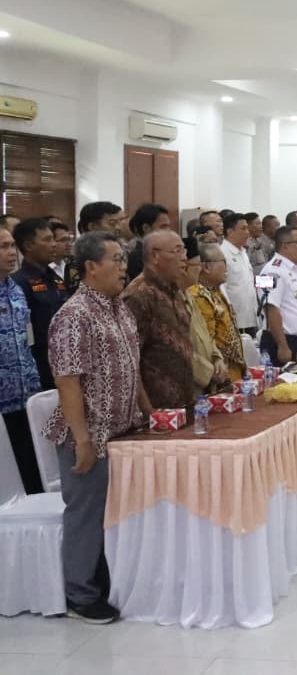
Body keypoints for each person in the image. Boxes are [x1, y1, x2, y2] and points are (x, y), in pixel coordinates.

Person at [44, 231, 152, 624]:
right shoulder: (74, 316)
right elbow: (68, 381)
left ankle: (108, 581)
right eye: (116, 260)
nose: (124, 267)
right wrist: (82, 440)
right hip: (90, 434)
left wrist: (149, 413)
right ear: (91, 266)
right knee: (86, 515)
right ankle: (80, 594)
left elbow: (132, 367)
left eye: (124, 260)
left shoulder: (118, 308)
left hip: (124, 430)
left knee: (116, 512)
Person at [121, 230, 194, 410]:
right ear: (154, 256)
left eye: (184, 250)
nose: (184, 258)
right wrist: (148, 412)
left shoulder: (175, 290)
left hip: (183, 402)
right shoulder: (139, 295)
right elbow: (129, 361)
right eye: (177, 251)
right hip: (156, 408)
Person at [0, 225, 44, 494]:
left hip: (25, 396)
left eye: (11, 246)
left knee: (29, 473)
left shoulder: (16, 289)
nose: (11, 253)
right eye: (2, 247)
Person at [12, 217, 70, 392]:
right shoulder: (19, 283)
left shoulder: (56, 277)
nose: (53, 244)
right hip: (39, 365)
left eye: (53, 239)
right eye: (47, 240)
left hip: (64, 360)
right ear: (29, 245)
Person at [189, 242, 246, 384]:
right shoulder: (199, 296)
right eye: (223, 261)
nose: (227, 267)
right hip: (220, 374)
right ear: (206, 267)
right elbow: (207, 342)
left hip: (233, 372)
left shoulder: (215, 291)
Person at [261, 225, 297, 364]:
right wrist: (283, 346)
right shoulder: (269, 271)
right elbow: (270, 309)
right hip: (283, 341)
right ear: (285, 246)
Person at [180, 240, 227, 395]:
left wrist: (217, 358)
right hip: (194, 383)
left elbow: (206, 335)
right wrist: (210, 371)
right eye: (198, 265)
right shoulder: (194, 294)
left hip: (214, 373)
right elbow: (180, 348)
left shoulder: (190, 294)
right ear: (184, 267)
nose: (199, 270)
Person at [219, 211, 258, 335]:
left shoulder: (243, 252)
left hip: (251, 317)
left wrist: (274, 282)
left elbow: (249, 280)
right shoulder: (222, 253)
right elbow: (221, 287)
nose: (248, 232)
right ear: (230, 232)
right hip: (235, 321)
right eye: (243, 228)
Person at [125, 203, 170, 281]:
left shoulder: (160, 251)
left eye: (168, 226)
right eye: (163, 226)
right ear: (146, 228)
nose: (168, 231)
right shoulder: (138, 256)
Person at [49, 220, 75, 285]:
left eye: (69, 240)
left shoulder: (71, 265)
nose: (69, 244)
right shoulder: (44, 269)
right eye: (63, 240)